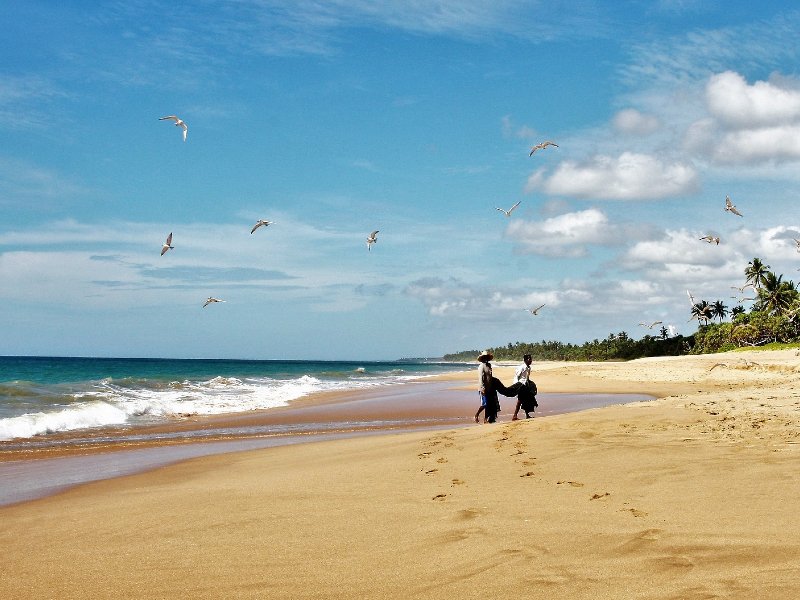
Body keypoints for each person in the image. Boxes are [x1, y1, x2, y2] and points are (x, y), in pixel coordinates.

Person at [476, 349, 500, 423]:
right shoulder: (481, 366)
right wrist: (482, 388)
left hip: (490, 388)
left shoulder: (489, 365)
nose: (485, 359)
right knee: (485, 404)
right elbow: (481, 378)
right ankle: (476, 415)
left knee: (489, 404)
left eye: (486, 357)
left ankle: (486, 419)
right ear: (482, 358)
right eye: (484, 357)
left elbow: (490, 377)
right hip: (483, 388)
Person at [511, 354, 538, 420]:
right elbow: (516, 376)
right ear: (525, 360)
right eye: (529, 359)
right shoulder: (521, 367)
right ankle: (514, 415)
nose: (531, 360)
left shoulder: (529, 368)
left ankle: (527, 415)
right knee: (520, 400)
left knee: (526, 400)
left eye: (531, 359)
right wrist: (516, 387)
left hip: (526, 386)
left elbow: (527, 378)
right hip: (520, 385)